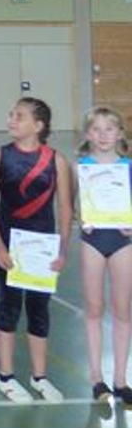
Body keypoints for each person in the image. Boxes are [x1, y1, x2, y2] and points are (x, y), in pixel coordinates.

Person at [0, 97, 72, 403]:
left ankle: (40, 377)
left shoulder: (56, 160)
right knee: (8, 307)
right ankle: (6, 377)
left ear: (38, 125)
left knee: (39, 309)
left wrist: (62, 250)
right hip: (9, 244)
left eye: (19, 116)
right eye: (11, 114)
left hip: (43, 247)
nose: (11, 119)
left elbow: (65, 209)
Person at [74, 105, 132, 405]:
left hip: (123, 241)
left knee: (123, 310)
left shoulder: (128, 166)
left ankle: (121, 379)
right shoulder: (82, 167)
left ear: (120, 133)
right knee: (94, 307)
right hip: (93, 240)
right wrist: (84, 217)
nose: (103, 135)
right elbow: (75, 206)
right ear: (88, 134)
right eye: (96, 129)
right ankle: (97, 377)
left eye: (109, 129)